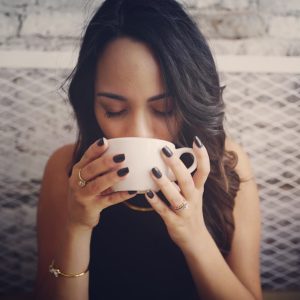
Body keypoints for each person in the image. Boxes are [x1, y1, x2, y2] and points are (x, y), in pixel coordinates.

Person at [34, 0, 262, 299]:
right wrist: (77, 226)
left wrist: (194, 235)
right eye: (114, 110)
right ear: (91, 103)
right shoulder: (66, 169)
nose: (138, 133)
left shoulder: (224, 165)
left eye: (164, 109)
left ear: (188, 101)